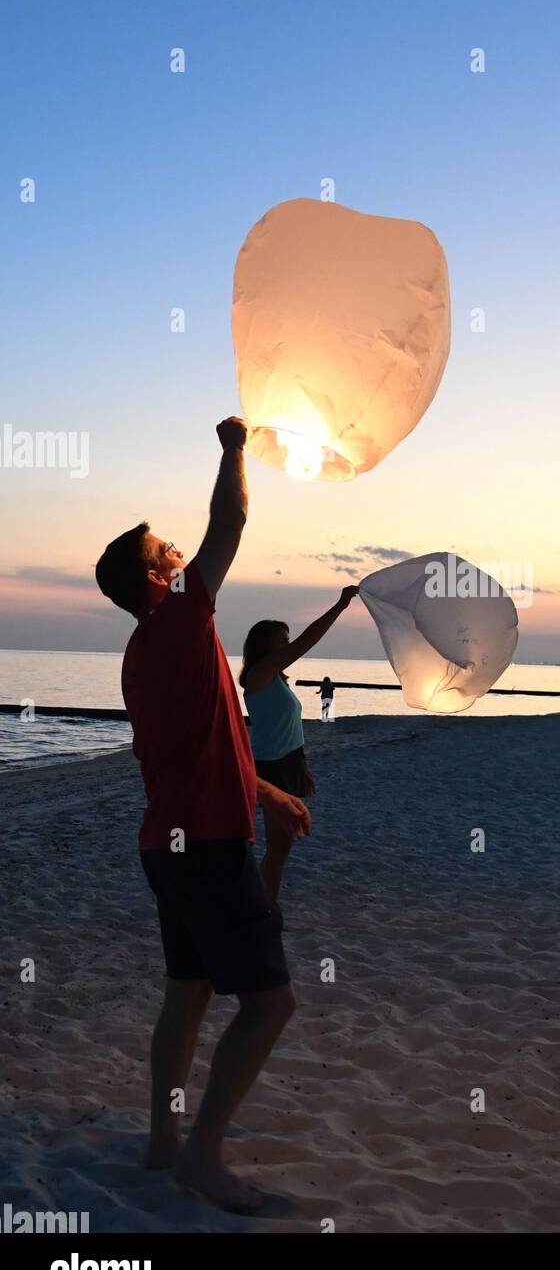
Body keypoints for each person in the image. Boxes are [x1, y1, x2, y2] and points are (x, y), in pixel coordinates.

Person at [95, 415, 309, 1213]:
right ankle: (203, 1156)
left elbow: (200, 752)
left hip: (169, 845)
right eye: (167, 553)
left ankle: (162, 1140)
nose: (181, 554)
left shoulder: (145, 651)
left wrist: (268, 789)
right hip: (209, 849)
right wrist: (232, 449)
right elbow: (233, 520)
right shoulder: (178, 619)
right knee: (269, 1002)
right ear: (157, 579)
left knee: (187, 993)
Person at [240, 593, 357, 897]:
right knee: (279, 850)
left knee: (282, 849)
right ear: (264, 647)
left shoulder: (277, 681)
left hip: (288, 763)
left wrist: (302, 764)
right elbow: (307, 641)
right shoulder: (259, 675)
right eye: (281, 642)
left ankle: (264, 905)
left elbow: (288, 728)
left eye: (286, 641)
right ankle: (265, 909)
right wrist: (341, 606)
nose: (288, 647)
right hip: (272, 768)